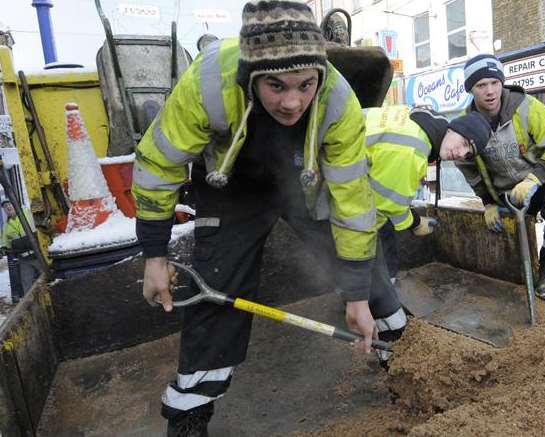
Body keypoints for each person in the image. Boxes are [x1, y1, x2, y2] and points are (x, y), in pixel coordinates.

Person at [132, 1, 407, 435]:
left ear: (320, 74)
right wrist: (154, 254)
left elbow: (353, 202)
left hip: (305, 177)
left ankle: (406, 356)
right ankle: (190, 415)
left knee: (365, 269)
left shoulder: (338, 101)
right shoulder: (208, 82)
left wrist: (355, 297)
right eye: (276, 86)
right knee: (218, 285)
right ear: (251, 75)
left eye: (305, 84)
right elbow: (157, 165)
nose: (292, 101)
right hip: (230, 185)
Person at [442, 53, 545, 301]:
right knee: (506, 240)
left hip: (544, 180)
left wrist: (534, 179)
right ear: (471, 90)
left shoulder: (526, 107)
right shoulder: (467, 125)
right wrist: (488, 203)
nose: (490, 91)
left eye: (494, 83)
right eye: (481, 85)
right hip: (506, 193)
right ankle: (515, 279)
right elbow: (469, 169)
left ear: (502, 83)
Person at [364, 106, 489, 280]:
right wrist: (415, 222)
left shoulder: (419, 121)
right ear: (454, 128)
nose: (461, 153)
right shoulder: (413, 150)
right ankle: (382, 297)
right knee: (383, 237)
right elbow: (386, 208)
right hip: (328, 167)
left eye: (468, 154)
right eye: (465, 143)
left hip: (330, 147)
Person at [0, 200, 40, 303]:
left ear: (15, 204)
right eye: (5, 207)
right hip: (24, 260)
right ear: (4, 210)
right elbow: (5, 244)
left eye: (10, 204)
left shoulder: (26, 213)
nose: (8, 207)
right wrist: (4, 249)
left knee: (48, 278)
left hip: (38, 256)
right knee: (27, 286)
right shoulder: (6, 226)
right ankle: (32, 307)